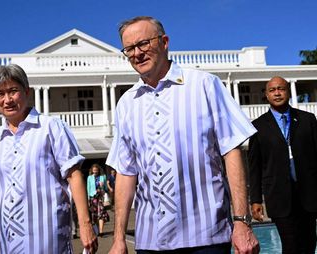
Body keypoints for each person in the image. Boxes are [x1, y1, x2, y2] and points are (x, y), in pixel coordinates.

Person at [106, 16, 260, 253]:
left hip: (206, 239)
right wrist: (118, 239)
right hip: (151, 242)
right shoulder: (126, 103)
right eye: (129, 49)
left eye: (143, 44)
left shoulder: (204, 85)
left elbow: (232, 151)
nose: (137, 53)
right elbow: (126, 172)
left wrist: (241, 222)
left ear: (164, 42)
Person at [0, 64, 97, 254]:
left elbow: (73, 175)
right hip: (9, 244)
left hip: (49, 242)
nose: (7, 100)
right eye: (0, 94)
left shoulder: (51, 127)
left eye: (13, 91)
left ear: (27, 91)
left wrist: (85, 223)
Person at [248, 76, 317, 254]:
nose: (277, 93)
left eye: (281, 89)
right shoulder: (257, 126)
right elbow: (255, 166)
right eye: (272, 90)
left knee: (309, 243)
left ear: (287, 91)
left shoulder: (307, 120)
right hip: (279, 196)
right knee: (291, 244)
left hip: (308, 194)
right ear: (267, 95)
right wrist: (255, 199)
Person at [87, 163, 109, 237]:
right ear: (92, 171)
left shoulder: (103, 177)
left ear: (98, 170)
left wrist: (103, 187)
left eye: (96, 170)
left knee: (101, 214)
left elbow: (106, 188)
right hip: (93, 198)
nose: (95, 171)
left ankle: (101, 231)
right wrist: (88, 199)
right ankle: (97, 231)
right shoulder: (89, 178)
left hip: (100, 198)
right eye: (94, 170)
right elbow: (88, 189)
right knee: (95, 215)